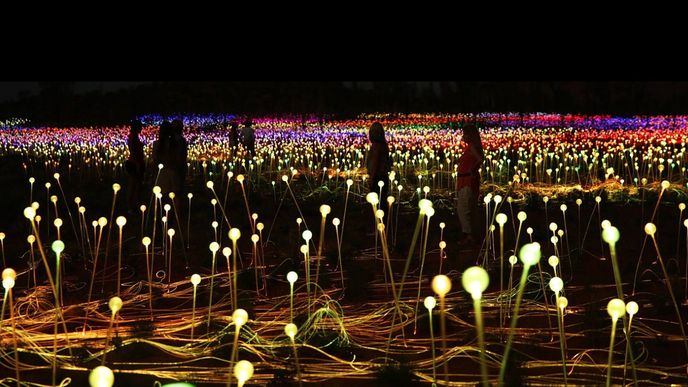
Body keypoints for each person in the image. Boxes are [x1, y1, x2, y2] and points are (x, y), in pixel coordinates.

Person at [456, 122, 484, 246]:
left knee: (463, 208)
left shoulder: (472, 146)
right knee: (468, 207)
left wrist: (472, 169)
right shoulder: (470, 146)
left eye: (465, 134)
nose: (463, 136)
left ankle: (469, 235)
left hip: (467, 180)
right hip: (465, 180)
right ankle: (471, 233)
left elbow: (480, 159)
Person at [366, 121, 391, 205]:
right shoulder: (384, 145)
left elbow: (375, 162)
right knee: (382, 200)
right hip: (384, 176)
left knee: (377, 202)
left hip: (377, 177)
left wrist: (372, 177)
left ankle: (378, 217)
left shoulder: (376, 146)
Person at [125, 120, 145, 214]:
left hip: (136, 163)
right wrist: (137, 164)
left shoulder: (134, 137)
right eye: (140, 127)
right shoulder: (133, 138)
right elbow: (133, 151)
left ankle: (135, 205)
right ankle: (130, 206)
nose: (141, 128)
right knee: (133, 185)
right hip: (134, 164)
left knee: (136, 185)